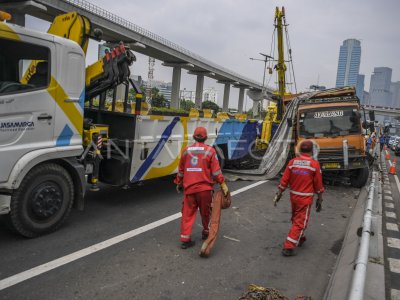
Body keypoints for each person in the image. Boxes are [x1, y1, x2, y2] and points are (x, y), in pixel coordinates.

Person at [174, 127, 229, 249]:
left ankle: (185, 238)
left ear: (194, 137)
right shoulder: (210, 151)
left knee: (187, 214)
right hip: (204, 190)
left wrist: (178, 183)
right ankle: (206, 232)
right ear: (205, 138)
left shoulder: (186, 151)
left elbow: (181, 171)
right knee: (206, 213)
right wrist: (223, 184)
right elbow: (216, 172)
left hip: (189, 189)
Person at [276, 140, 325, 256]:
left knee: (296, 218)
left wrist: (279, 194)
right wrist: (320, 198)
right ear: (312, 150)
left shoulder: (292, 162)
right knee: (300, 223)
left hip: (294, 197)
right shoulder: (314, 164)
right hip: (305, 199)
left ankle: (300, 237)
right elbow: (318, 184)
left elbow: (284, 180)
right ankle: (288, 247)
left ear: (300, 150)